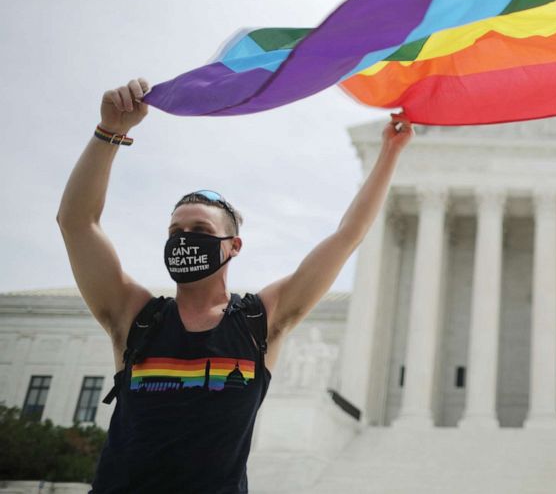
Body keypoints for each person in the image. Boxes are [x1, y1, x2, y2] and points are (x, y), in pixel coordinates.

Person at [56, 77, 413, 493]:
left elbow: (347, 235)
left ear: (233, 246)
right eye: (176, 230)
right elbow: (77, 224)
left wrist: (389, 153)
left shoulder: (260, 322)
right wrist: (110, 132)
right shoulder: (135, 316)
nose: (184, 237)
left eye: (199, 228)